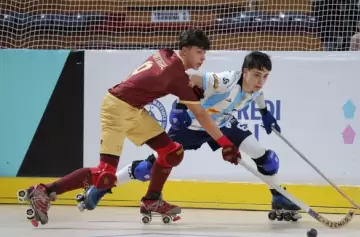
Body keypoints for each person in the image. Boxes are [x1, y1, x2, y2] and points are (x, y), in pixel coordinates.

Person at [17, 29, 241, 227]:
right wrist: (226, 144)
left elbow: (162, 78)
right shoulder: (177, 77)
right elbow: (201, 115)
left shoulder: (164, 54)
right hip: (116, 108)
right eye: (199, 52)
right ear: (185, 50)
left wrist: (189, 85)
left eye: (204, 53)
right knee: (105, 175)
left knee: (172, 153)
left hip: (133, 109)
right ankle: (44, 191)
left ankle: (152, 199)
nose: (203, 58)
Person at [78, 51, 302, 222]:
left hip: (222, 125)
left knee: (267, 158)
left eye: (265, 76)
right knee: (150, 168)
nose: (260, 81)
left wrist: (265, 113)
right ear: (244, 71)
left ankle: (278, 196)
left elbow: (259, 95)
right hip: (191, 126)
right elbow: (188, 77)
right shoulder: (224, 81)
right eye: (256, 75)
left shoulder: (256, 88)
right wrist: (180, 109)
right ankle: (100, 187)